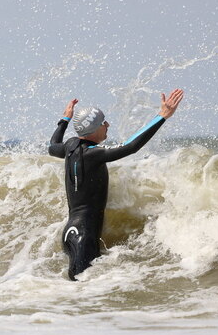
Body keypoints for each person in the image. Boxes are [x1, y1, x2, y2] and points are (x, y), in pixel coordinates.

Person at [48, 89, 184, 280]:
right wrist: (162, 116)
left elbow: (53, 146)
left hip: (72, 232)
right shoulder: (93, 154)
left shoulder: (70, 146)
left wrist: (65, 119)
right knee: (84, 292)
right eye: (103, 122)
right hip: (83, 236)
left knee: (79, 293)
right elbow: (131, 146)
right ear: (93, 128)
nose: (107, 125)